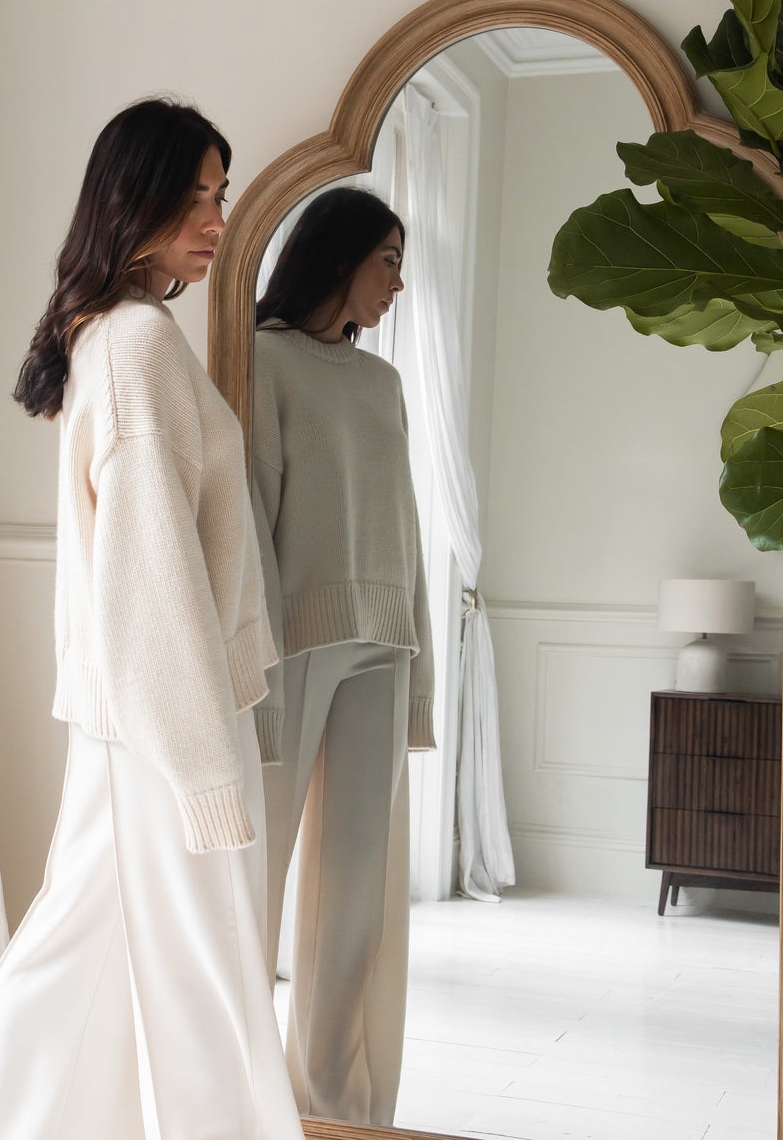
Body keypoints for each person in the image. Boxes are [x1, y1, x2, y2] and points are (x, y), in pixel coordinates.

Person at [0, 98, 304, 1140]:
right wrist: (204, 772)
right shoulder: (138, 343)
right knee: (202, 990)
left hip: (142, 723)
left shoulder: (117, 335)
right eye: (191, 194)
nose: (216, 217)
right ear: (129, 201)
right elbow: (151, 583)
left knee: (89, 947)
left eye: (219, 194)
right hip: (165, 729)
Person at [251, 185, 435, 1128]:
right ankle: (238, 1089)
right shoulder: (260, 363)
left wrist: (419, 676)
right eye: (389, 259)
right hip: (289, 644)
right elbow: (249, 525)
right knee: (260, 875)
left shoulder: (385, 382)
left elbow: (406, 532)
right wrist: (250, 677)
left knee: (354, 895)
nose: (400, 282)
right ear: (339, 256)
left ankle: (330, 1103)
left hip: (381, 642)